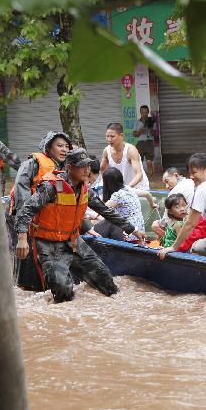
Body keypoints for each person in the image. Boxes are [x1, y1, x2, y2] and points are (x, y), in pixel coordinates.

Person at [15, 148, 146, 303]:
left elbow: (106, 211)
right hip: (49, 243)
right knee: (63, 290)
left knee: (105, 279)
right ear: (70, 167)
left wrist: (132, 229)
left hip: (73, 241)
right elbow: (26, 210)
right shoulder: (51, 186)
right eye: (82, 166)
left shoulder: (85, 189)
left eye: (88, 166)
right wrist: (22, 238)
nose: (87, 170)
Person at [159, 153, 206, 259]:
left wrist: (173, 247)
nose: (191, 177)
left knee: (194, 247)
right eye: (189, 173)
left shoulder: (202, 188)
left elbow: (190, 224)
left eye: (194, 172)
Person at [92, 167, 152, 241]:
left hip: (129, 232)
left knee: (100, 221)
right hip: (139, 227)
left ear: (107, 183)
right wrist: (152, 204)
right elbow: (147, 194)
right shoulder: (128, 188)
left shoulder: (117, 196)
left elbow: (102, 209)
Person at [100, 122, 149, 191]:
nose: (109, 139)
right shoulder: (106, 151)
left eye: (112, 136)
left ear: (121, 135)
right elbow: (102, 170)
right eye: (107, 136)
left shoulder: (130, 150)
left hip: (139, 188)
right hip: (121, 190)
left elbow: (139, 174)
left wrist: (127, 187)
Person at [133, 105, 155, 177]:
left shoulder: (152, 121)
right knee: (139, 162)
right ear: (140, 112)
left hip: (149, 142)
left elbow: (155, 134)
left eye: (146, 112)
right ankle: (140, 179)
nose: (144, 114)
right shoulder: (137, 122)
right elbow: (134, 134)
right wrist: (141, 130)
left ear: (148, 112)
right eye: (142, 112)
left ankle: (151, 178)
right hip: (140, 144)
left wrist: (150, 128)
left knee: (149, 162)